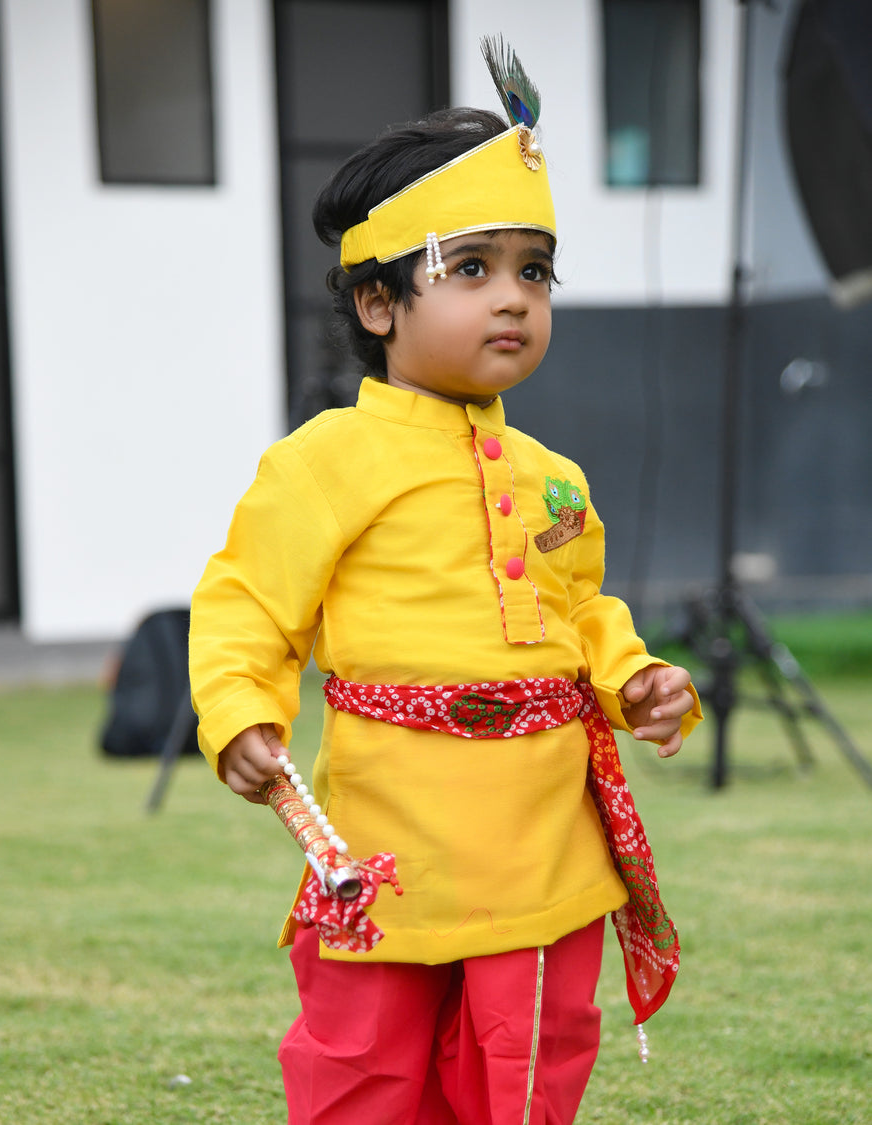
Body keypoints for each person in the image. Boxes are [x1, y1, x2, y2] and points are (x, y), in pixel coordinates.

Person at [189, 38, 700, 1125]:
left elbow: (582, 608)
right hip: (389, 841)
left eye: (534, 270)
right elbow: (246, 603)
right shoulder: (323, 461)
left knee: (526, 1067)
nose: (512, 298)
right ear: (378, 306)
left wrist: (635, 674)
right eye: (471, 269)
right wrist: (238, 711)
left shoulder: (554, 477)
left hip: (545, 846)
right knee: (361, 1067)